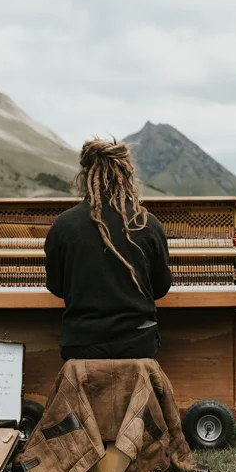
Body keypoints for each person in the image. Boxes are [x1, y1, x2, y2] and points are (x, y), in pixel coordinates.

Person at [44, 137, 173, 360]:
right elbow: (161, 287)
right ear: (126, 174)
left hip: (81, 344)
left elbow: (55, 286)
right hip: (137, 344)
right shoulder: (147, 223)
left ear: (84, 175)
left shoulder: (63, 224)